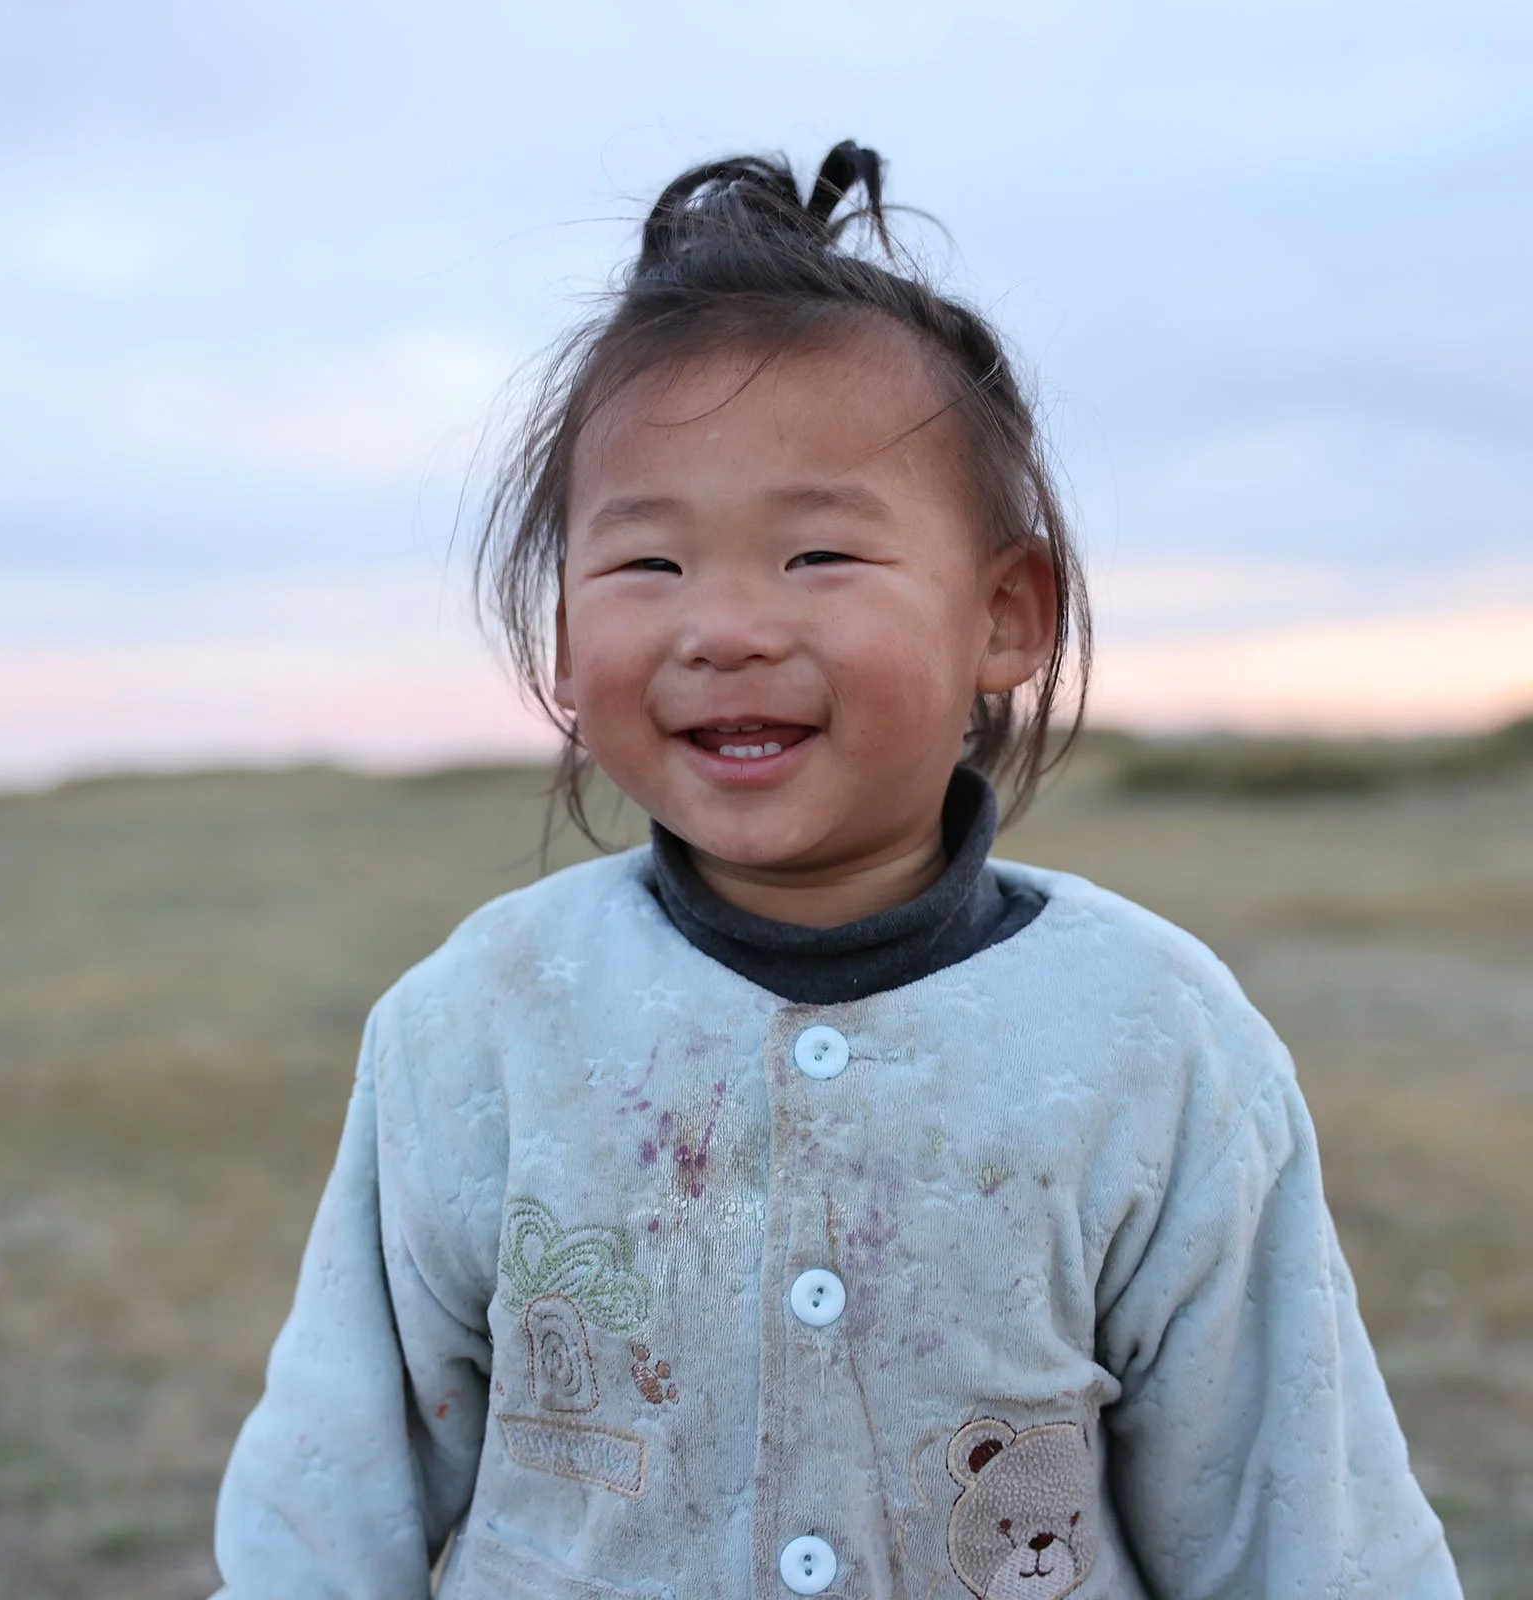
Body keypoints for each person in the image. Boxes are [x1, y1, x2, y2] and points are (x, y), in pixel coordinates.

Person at [211, 142, 1462, 1599]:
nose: (725, 628)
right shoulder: (477, 1024)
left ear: (1006, 614)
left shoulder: (1156, 1043)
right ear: (561, 642)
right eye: (647, 568)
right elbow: (327, 1503)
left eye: (815, 556)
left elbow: (1300, 1528)